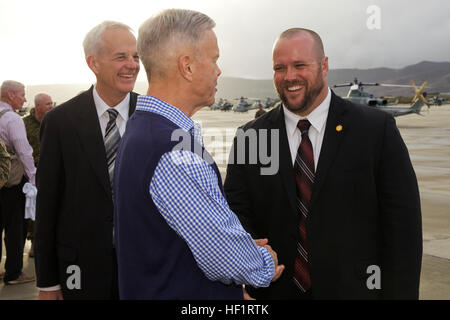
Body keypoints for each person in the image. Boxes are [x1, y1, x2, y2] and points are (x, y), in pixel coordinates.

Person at [224, 28, 422, 300]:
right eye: (279, 68)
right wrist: (245, 266)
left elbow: (403, 230)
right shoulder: (252, 137)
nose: (289, 76)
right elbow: (236, 213)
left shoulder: (375, 131)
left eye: (300, 65)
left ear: (324, 66)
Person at [114, 9, 284, 300]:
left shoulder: (141, 129)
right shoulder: (175, 155)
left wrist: (238, 247)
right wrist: (263, 262)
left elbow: (176, 239)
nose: (219, 70)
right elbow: (228, 259)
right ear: (188, 67)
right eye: (214, 59)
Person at [34, 21, 140, 300]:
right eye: (121, 56)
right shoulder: (60, 122)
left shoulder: (155, 117)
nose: (132, 65)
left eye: (136, 56)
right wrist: (47, 282)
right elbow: (47, 205)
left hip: (145, 270)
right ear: (93, 62)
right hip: (79, 272)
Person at [0, 80, 36, 284]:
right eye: (22, 94)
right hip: (12, 183)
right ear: (11, 95)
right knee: (15, 228)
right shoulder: (13, 119)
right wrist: (33, 178)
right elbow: (24, 151)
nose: (24, 98)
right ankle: (14, 273)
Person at [23, 93, 54, 257]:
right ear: (38, 106)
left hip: (52, 170)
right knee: (33, 211)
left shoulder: (55, 120)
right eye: (48, 104)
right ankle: (34, 244)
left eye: (51, 103)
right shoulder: (25, 123)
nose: (51, 106)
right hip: (31, 173)